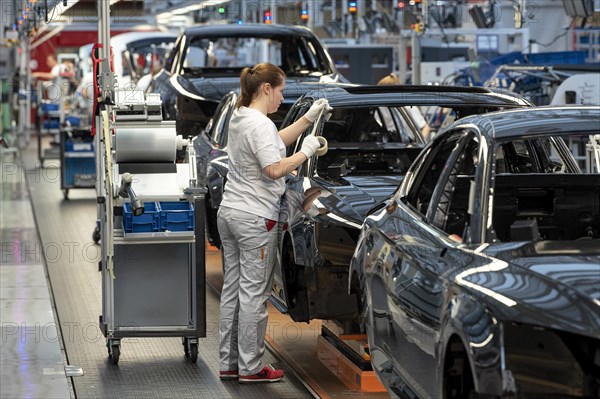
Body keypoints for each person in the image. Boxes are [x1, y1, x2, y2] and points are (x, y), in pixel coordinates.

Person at [217, 62, 331, 383]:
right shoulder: (260, 123)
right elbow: (274, 168)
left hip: (231, 213)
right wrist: (306, 151)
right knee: (254, 294)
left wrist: (307, 121)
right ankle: (251, 368)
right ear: (266, 88)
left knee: (233, 292)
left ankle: (229, 364)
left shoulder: (241, 116)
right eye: (280, 91)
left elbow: (273, 141)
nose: (282, 98)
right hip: (255, 219)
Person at [377, 73, 431, 141]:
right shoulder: (379, 108)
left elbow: (425, 128)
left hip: (406, 145)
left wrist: (419, 145)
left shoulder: (408, 107)